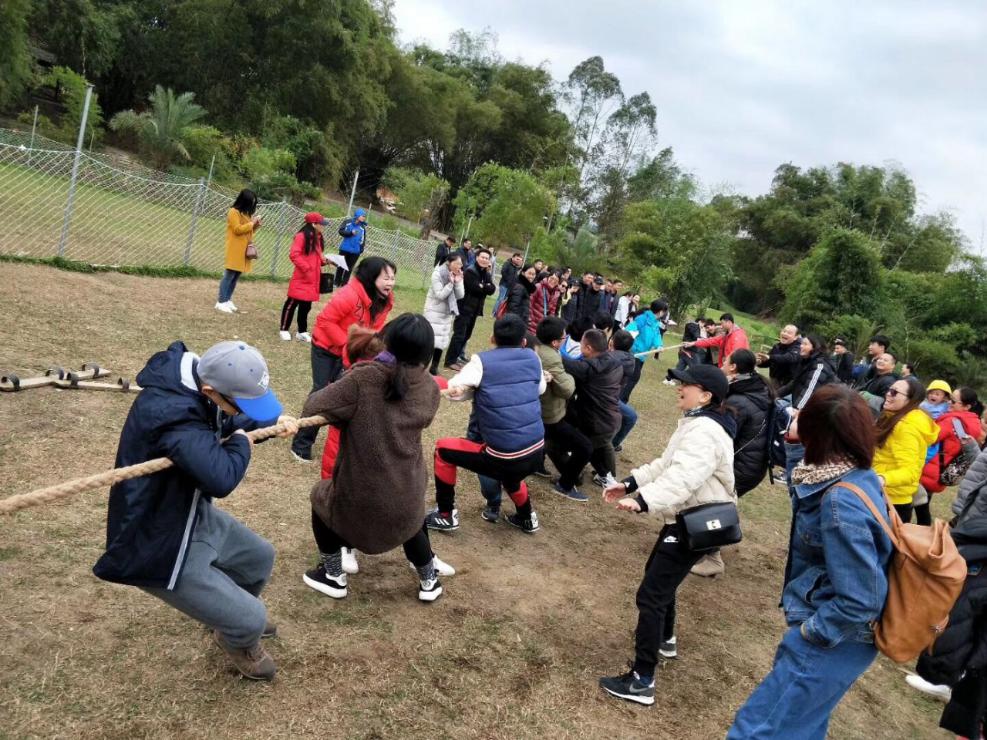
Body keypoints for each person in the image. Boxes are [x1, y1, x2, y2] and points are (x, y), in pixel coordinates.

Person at [93, 340, 294, 681]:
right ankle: (239, 633)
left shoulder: (199, 385)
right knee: (254, 619)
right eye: (243, 403)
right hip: (155, 538)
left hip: (187, 512)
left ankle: (229, 618)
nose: (243, 410)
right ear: (210, 391)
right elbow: (221, 477)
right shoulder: (172, 415)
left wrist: (271, 420)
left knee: (259, 559)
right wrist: (243, 442)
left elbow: (226, 419)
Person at [727, 385, 893, 738]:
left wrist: (811, 634)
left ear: (817, 432)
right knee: (801, 729)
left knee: (755, 731)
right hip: (841, 636)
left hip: (835, 637)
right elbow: (804, 496)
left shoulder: (840, 501)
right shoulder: (849, 474)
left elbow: (863, 598)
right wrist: (792, 445)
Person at [598, 364, 736, 705]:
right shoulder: (695, 423)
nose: (679, 387)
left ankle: (642, 680)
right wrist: (629, 483)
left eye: (687, 384)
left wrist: (643, 501)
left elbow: (683, 478)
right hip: (684, 518)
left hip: (696, 521)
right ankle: (665, 639)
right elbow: (666, 464)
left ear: (705, 396)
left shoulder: (705, 431)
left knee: (651, 595)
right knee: (658, 581)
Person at [302, 314, 454, 603]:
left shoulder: (364, 378)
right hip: (409, 490)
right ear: (427, 353)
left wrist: (349, 392)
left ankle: (333, 575)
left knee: (320, 497)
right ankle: (429, 579)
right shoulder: (429, 386)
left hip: (364, 498)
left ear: (385, 341)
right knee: (410, 517)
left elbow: (313, 406)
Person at [426, 315, 546, 534]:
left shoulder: (481, 362)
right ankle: (527, 517)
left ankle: (445, 515)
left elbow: (453, 392)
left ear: (492, 338)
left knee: (443, 449)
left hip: (504, 456)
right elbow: (540, 389)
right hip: (536, 452)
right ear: (524, 341)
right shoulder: (533, 358)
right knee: (511, 471)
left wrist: (467, 389)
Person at [291, 257, 397, 461]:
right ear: (370, 277)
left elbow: (374, 330)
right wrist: (349, 345)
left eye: (393, 278)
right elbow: (325, 321)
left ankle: (343, 445)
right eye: (386, 278)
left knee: (346, 394)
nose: (390, 283)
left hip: (352, 351)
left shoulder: (385, 301)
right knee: (322, 393)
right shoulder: (349, 295)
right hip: (326, 347)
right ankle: (301, 444)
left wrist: (367, 350)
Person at [691, 349, 773, 579]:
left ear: (734, 367)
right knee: (713, 502)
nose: (723, 363)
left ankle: (712, 558)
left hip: (742, 467)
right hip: (752, 466)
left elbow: (723, 437)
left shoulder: (739, 400)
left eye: (726, 360)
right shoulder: (756, 388)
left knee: (711, 504)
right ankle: (698, 543)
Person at [535, 317, 591, 503]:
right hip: (550, 414)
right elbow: (567, 389)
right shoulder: (551, 357)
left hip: (540, 410)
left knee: (548, 441)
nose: (565, 339)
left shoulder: (536, 348)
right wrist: (569, 377)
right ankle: (565, 485)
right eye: (563, 337)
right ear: (554, 342)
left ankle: (537, 464)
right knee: (584, 446)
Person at [872, 376, 939, 522]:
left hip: (890, 502)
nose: (888, 394)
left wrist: (881, 478)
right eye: (889, 390)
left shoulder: (906, 428)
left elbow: (910, 472)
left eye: (894, 392)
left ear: (910, 400)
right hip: (881, 495)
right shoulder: (891, 417)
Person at [562, 328, 624, 486]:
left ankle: (569, 482)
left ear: (588, 348)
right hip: (610, 419)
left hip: (597, 422)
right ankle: (606, 476)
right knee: (597, 448)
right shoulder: (615, 363)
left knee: (583, 449)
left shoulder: (589, 368)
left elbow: (564, 363)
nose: (580, 346)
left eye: (581, 344)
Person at [919, 387, 987, 520]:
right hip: (943, 470)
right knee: (922, 506)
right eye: (950, 399)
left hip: (929, 470)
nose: (949, 402)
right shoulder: (973, 422)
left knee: (915, 505)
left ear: (967, 406)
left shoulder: (951, 421)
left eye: (954, 401)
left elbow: (929, 437)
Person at [280, 212, 328, 342]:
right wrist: (307, 268)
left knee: (306, 306)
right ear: (313, 224)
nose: (323, 226)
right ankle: (284, 329)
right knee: (291, 303)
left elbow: (316, 257)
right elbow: (294, 254)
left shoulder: (318, 238)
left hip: (313, 278)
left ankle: (302, 331)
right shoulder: (301, 236)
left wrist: (325, 261)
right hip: (302, 277)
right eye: (321, 224)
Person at [446, 247, 496, 368]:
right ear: (477, 257)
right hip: (464, 307)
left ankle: (457, 357)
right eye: (482, 257)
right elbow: (475, 288)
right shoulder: (470, 271)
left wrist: (483, 286)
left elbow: (492, 289)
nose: (484, 260)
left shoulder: (485, 273)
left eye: (487, 258)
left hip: (475, 309)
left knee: (466, 335)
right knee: (459, 335)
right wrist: (484, 286)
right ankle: (450, 361)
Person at [217, 189, 261, 313]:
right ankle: (221, 301)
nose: (252, 205)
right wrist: (251, 223)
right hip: (235, 249)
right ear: (244, 201)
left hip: (244, 249)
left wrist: (255, 225)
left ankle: (227, 299)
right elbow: (237, 230)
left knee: (235, 276)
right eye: (251, 202)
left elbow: (248, 232)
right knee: (229, 275)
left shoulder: (247, 214)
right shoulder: (233, 212)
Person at [423, 254, 465, 374]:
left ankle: (434, 367)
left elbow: (460, 295)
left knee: (441, 340)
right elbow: (440, 295)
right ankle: (422, 366)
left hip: (447, 312)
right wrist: (450, 284)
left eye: (461, 264)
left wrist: (458, 282)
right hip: (434, 311)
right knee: (430, 339)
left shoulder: (457, 274)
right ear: (448, 262)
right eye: (457, 263)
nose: (460, 266)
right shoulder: (437, 273)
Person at [622, 300, 668, 403]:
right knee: (633, 377)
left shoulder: (655, 322)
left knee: (632, 378)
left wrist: (659, 345)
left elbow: (656, 335)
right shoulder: (642, 319)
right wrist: (632, 346)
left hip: (642, 355)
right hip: (634, 353)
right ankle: (621, 401)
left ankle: (621, 400)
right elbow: (628, 331)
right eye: (664, 311)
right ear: (661, 311)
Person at [776, 335, 837, 409]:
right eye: (801, 343)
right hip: (806, 404)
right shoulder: (805, 361)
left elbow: (810, 389)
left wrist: (797, 409)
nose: (801, 346)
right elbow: (795, 383)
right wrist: (775, 394)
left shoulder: (820, 365)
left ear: (815, 347)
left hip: (823, 408)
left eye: (805, 344)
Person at [686, 312, 750, 369]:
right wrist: (694, 343)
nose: (721, 326)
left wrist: (726, 368)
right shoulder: (726, 336)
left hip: (733, 369)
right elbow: (710, 341)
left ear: (729, 322)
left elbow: (737, 356)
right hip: (725, 366)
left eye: (722, 323)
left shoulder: (738, 336)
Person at [610, 329, 639, 454]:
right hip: (604, 397)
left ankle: (612, 445)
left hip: (610, 399)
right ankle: (612, 445)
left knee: (630, 416)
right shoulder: (630, 360)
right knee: (631, 416)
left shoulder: (607, 358)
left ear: (612, 342)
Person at [756, 324, 801, 389]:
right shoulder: (777, 346)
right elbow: (769, 361)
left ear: (795, 337)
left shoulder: (798, 348)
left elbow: (788, 358)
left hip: (788, 385)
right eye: (784, 331)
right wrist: (760, 362)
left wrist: (770, 357)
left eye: (789, 333)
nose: (785, 333)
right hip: (774, 380)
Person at [334, 208, 367, 287]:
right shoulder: (347, 222)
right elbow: (341, 231)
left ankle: (344, 284)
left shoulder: (362, 227)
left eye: (364, 216)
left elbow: (363, 239)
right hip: (344, 249)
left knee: (349, 268)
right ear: (358, 215)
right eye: (363, 216)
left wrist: (360, 249)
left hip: (355, 251)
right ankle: (336, 282)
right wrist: (350, 233)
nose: (364, 218)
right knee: (341, 266)